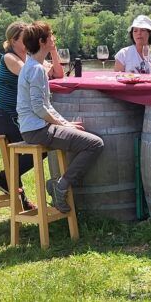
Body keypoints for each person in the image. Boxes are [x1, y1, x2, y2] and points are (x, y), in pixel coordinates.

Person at [17, 21, 104, 213]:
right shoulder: (37, 69)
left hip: (33, 128)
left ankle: (60, 185)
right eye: (51, 35)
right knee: (95, 144)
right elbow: (40, 109)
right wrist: (62, 124)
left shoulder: (31, 65)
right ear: (42, 41)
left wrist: (65, 124)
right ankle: (61, 186)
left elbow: (45, 105)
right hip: (37, 130)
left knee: (85, 137)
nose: (54, 38)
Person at [0, 21, 63, 210]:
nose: (29, 41)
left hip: (19, 117)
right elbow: (29, 73)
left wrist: (52, 51)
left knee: (40, 144)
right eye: (25, 38)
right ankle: (7, 181)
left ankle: (7, 182)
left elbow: (58, 74)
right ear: (13, 40)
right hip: (2, 116)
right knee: (37, 143)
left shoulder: (31, 58)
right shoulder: (10, 58)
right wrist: (44, 66)